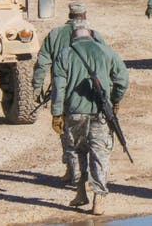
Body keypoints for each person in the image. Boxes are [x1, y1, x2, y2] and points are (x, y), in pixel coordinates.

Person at [51, 27, 129, 216]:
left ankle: (80, 193)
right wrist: (115, 99)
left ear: (73, 39)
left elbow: (58, 87)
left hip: (74, 114)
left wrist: (56, 114)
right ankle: (98, 200)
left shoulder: (64, 54)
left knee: (76, 152)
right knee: (99, 155)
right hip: (100, 114)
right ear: (91, 37)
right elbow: (122, 80)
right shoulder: (106, 51)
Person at [32, 1, 107, 188]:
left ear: (70, 15)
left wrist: (37, 86)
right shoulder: (94, 35)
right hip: (91, 95)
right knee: (94, 137)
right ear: (85, 15)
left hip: (64, 94)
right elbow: (106, 63)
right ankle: (83, 176)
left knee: (68, 134)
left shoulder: (55, 34)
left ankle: (74, 173)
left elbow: (42, 63)